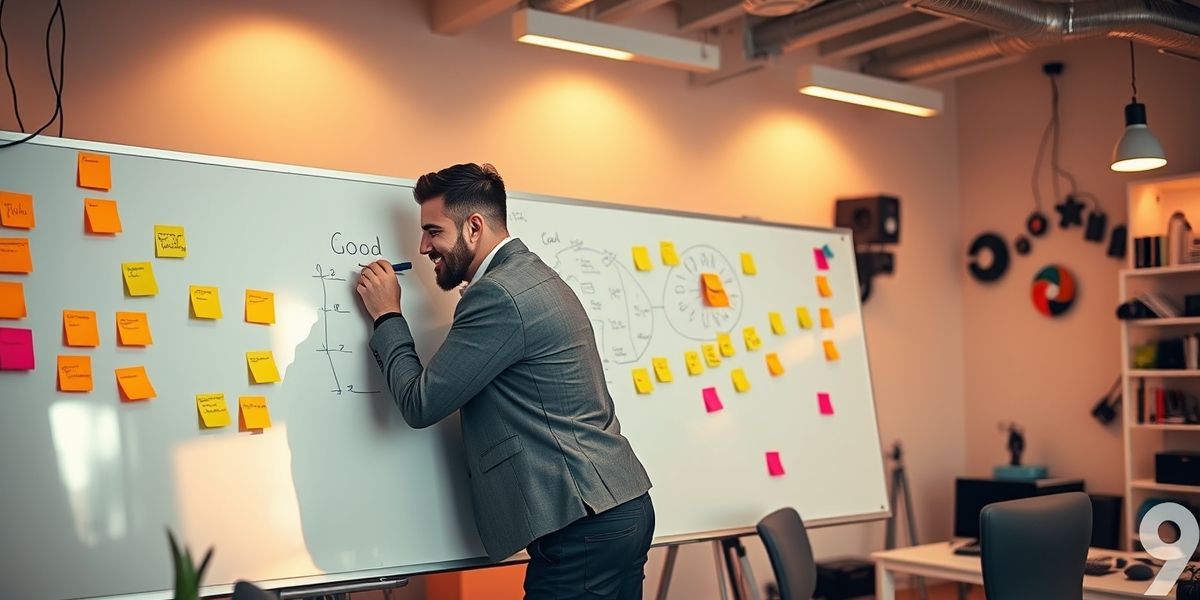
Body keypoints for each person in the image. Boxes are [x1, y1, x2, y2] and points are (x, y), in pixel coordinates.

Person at [356, 163, 654, 599]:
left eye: (433, 231)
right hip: (613, 508)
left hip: (585, 524)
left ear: (473, 227)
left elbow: (421, 404)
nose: (423, 247)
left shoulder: (498, 295)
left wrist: (387, 315)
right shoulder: (524, 277)